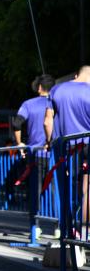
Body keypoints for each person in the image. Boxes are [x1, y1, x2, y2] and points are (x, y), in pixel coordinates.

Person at [45, 66, 90, 226]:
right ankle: (84, 230)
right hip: (86, 146)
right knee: (86, 188)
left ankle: (65, 228)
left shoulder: (57, 90)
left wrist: (49, 142)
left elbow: (47, 121)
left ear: (76, 75)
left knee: (64, 188)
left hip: (63, 148)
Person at [13, 75, 55, 229]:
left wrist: (20, 144)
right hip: (54, 155)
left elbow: (17, 123)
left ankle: (35, 227)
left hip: (35, 155)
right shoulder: (55, 103)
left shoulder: (28, 104)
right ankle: (58, 227)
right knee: (54, 191)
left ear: (39, 88)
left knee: (35, 192)